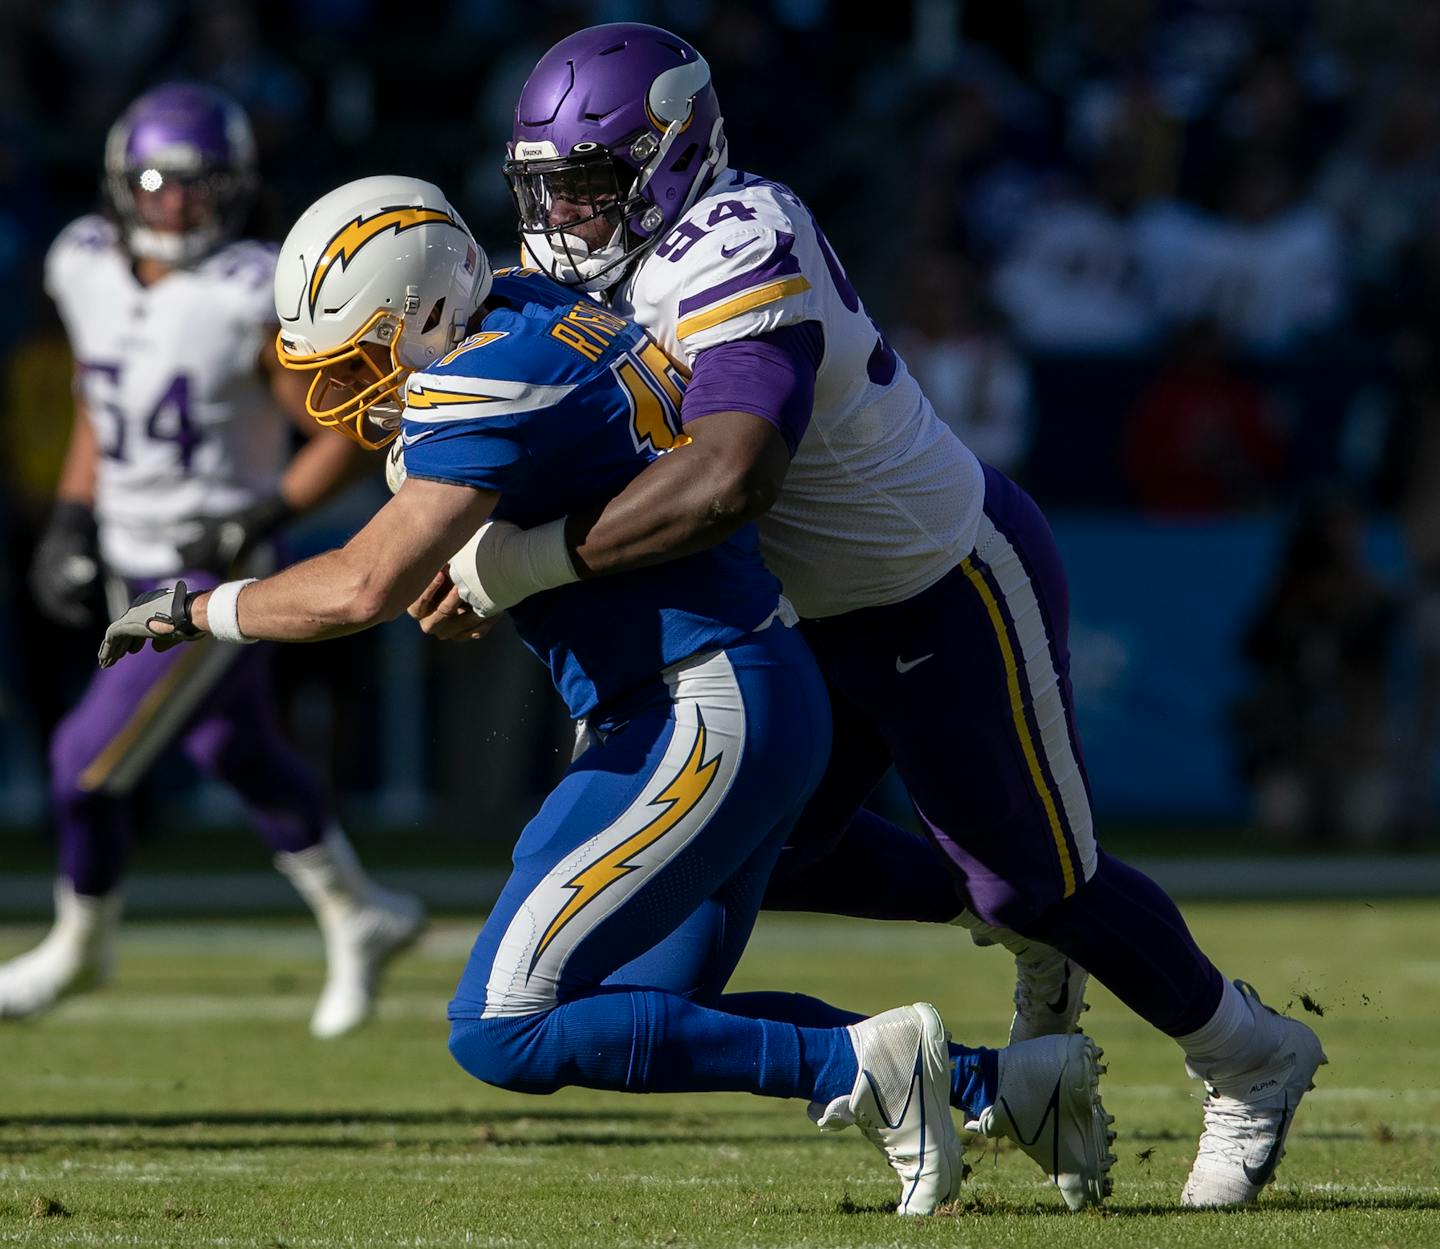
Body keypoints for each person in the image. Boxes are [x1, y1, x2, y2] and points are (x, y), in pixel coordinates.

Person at [425, 23, 1324, 1208]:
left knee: (1041, 884)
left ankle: (1249, 1052)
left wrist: (525, 565)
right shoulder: (591, 278)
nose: (568, 218)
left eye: (593, 187)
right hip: (796, 623)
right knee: (753, 842)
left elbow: (726, 474)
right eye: (548, 189)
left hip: (939, 584)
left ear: (674, 156)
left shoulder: (737, 237)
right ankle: (973, 948)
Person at [98, 174, 1114, 1215]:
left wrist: (198, 608)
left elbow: (363, 584)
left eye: (362, 356)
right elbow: (560, 472)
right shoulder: (536, 307)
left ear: (425, 315)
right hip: (740, 691)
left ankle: (877, 1062)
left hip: (696, 705)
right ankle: (1013, 1085)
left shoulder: (481, 377)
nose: (344, 393)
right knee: (640, 1006)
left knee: (501, 1025)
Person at [0, 83, 424, 1038]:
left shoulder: (248, 289)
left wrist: (260, 512)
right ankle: (360, 912)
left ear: (233, 189)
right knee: (236, 749)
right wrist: (74, 513)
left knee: (82, 765)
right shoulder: (83, 264)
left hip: (211, 576)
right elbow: (101, 406)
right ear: (122, 184)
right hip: (125, 553)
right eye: (157, 183)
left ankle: (80, 943)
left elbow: (346, 430)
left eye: (199, 186)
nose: (177, 205)